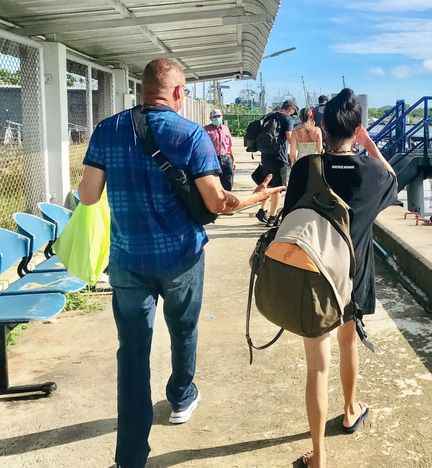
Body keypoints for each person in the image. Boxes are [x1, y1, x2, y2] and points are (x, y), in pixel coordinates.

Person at [77, 58, 284, 468]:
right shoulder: (191, 134)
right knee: (183, 328)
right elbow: (216, 202)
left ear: (141, 90)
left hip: (127, 260)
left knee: (132, 354)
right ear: (176, 92)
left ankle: (130, 456)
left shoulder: (106, 130)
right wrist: (256, 198)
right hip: (181, 256)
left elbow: (87, 195)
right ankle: (180, 396)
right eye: (183, 90)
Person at [282, 89, 397, 468]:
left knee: (317, 366)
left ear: (322, 126)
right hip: (355, 276)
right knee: (348, 344)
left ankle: (319, 457)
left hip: (314, 278)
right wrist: (368, 144)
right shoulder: (373, 174)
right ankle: (350, 410)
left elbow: (288, 221)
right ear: (357, 129)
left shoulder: (304, 169)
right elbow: (393, 178)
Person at [260, 99, 298, 227]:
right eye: (294, 112)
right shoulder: (288, 119)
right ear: (290, 109)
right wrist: (296, 146)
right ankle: (272, 217)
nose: (293, 114)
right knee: (278, 188)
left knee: (268, 185)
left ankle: (262, 210)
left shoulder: (269, 116)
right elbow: (288, 135)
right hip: (279, 158)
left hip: (265, 156)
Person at [204, 109, 236, 191]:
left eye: (218, 116)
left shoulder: (225, 129)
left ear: (222, 117)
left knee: (228, 183)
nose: (216, 118)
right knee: (214, 185)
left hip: (226, 159)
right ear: (210, 118)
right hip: (212, 159)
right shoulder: (206, 130)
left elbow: (229, 146)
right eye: (214, 117)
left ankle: (226, 201)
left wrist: (233, 160)